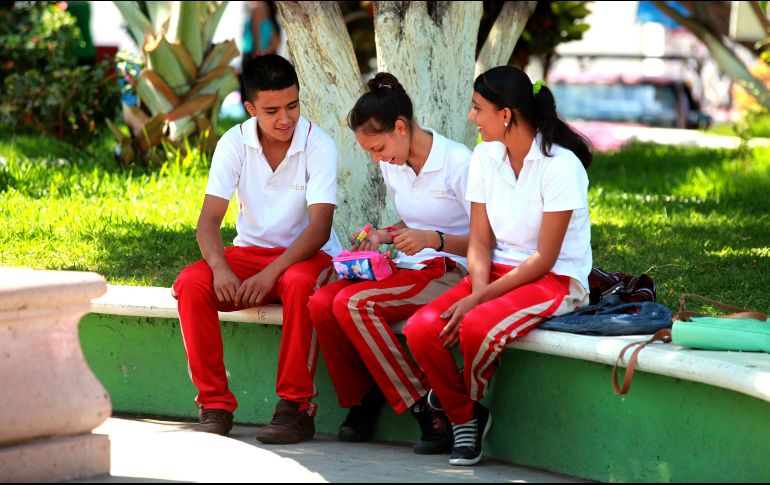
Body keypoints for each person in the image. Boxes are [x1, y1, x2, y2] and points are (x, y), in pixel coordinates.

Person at [404, 66, 594, 466]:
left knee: (474, 323)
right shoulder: (485, 157)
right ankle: (466, 412)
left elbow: (544, 258)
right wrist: (476, 291)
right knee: (422, 329)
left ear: (506, 114)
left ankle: (456, 401)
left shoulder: (561, 166)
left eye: (478, 108)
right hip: (494, 271)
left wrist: (479, 300)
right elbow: (480, 240)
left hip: (553, 278)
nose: (472, 117)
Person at [172, 54, 342, 444]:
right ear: (250, 108)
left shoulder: (319, 145)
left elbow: (319, 230)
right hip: (249, 256)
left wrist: (271, 273)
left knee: (301, 285)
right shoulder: (234, 142)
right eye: (272, 110)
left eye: (293, 105)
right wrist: (220, 268)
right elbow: (208, 222)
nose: (286, 118)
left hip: (305, 257)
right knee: (190, 283)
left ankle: (295, 410)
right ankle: (214, 405)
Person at [307, 72, 472, 454]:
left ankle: (428, 410)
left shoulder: (458, 162)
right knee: (320, 302)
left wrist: (434, 240)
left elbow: (489, 236)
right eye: (369, 152)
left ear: (401, 127)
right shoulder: (393, 163)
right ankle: (363, 397)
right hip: (412, 266)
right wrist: (383, 234)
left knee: (355, 303)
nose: (376, 158)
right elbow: (415, 218)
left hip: (451, 269)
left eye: (378, 148)